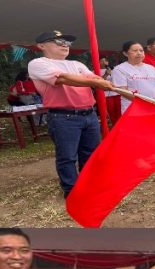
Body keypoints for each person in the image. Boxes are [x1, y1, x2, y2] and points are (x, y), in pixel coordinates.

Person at [27, 30, 116, 198]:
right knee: (67, 156)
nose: (64, 45)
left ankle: (90, 185)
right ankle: (72, 192)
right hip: (63, 117)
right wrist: (95, 81)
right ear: (41, 46)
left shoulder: (77, 64)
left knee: (91, 153)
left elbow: (95, 79)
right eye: (57, 41)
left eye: (67, 42)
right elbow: (63, 79)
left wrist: (101, 82)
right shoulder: (38, 63)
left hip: (89, 114)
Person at [110, 41, 155, 115]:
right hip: (133, 111)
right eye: (135, 51)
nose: (139, 53)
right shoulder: (119, 69)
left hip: (153, 108)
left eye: (141, 50)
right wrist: (145, 102)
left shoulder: (151, 68)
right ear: (125, 53)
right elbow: (122, 90)